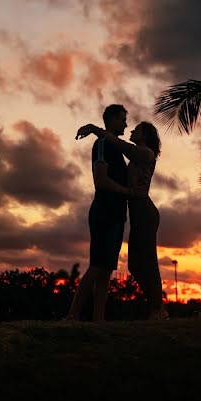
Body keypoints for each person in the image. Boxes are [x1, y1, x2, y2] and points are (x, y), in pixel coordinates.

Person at [76, 119, 168, 320]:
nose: (132, 130)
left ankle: (158, 309)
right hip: (136, 212)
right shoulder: (136, 156)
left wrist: (94, 129)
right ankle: (156, 304)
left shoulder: (146, 153)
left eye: (137, 129)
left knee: (149, 262)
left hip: (144, 211)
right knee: (134, 265)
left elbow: (121, 145)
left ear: (145, 135)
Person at [66, 104, 131, 322]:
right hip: (105, 211)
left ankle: (98, 319)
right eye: (122, 119)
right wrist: (126, 191)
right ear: (111, 119)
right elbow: (100, 179)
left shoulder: (116, 146)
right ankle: (73, 315)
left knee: (105, 271)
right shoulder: (102, 144)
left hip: (117, 214)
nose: (125, 124)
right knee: (97, 265)